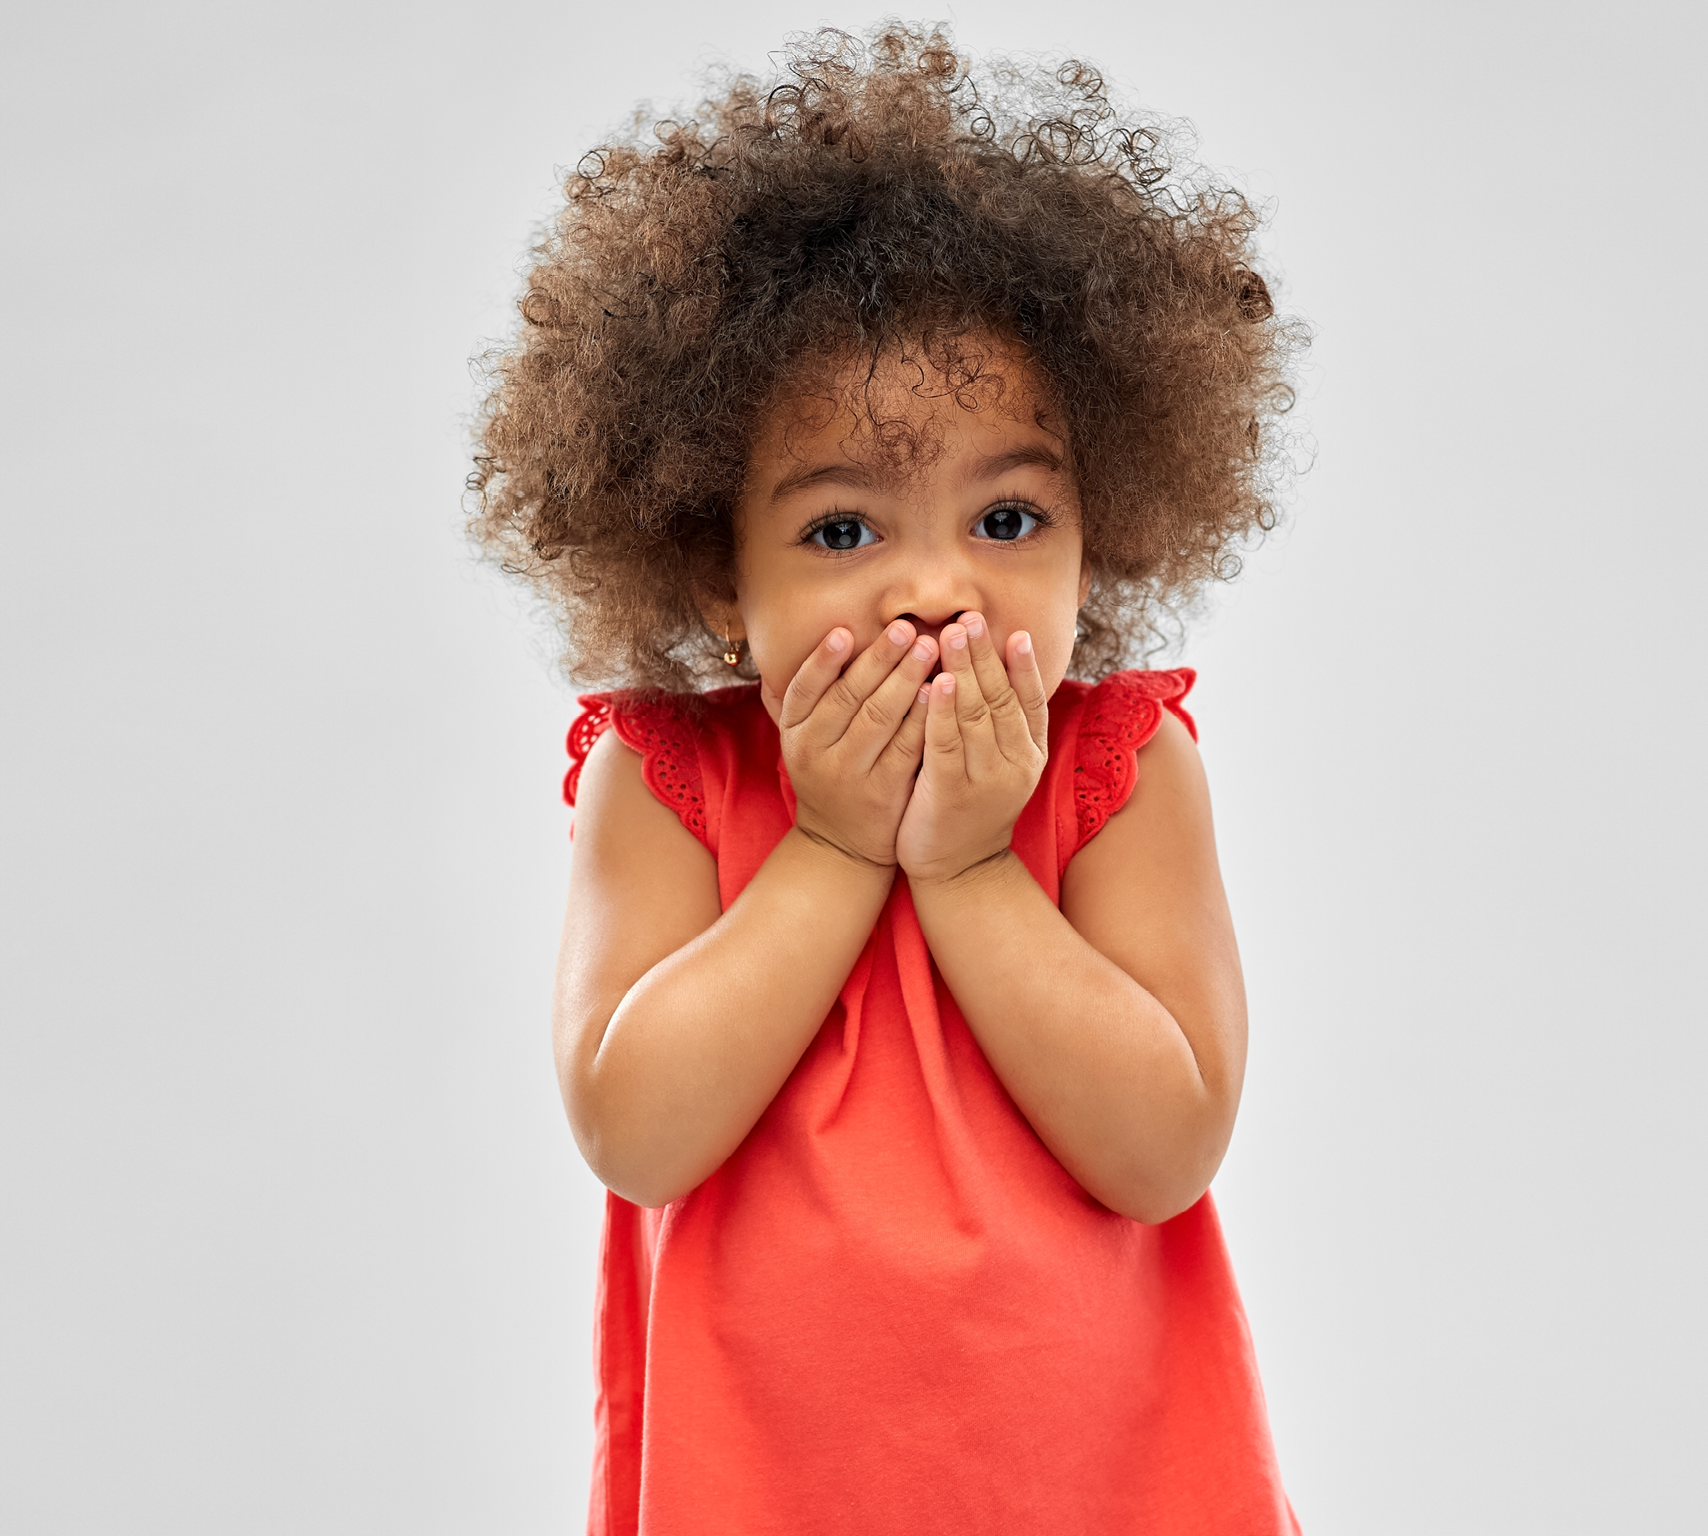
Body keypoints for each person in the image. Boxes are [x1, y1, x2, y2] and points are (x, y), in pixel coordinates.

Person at [470, 24, 1306, 1534]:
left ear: (1095, 534)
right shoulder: (667, 781)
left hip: (1105, 1486)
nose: (934, 589)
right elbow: (639, 1131)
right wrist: (837, 849)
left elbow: (1164, 1150)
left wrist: (975, 867)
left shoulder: (1119, 769)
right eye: (845, 532)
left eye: (1005, 521)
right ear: (719, 579)